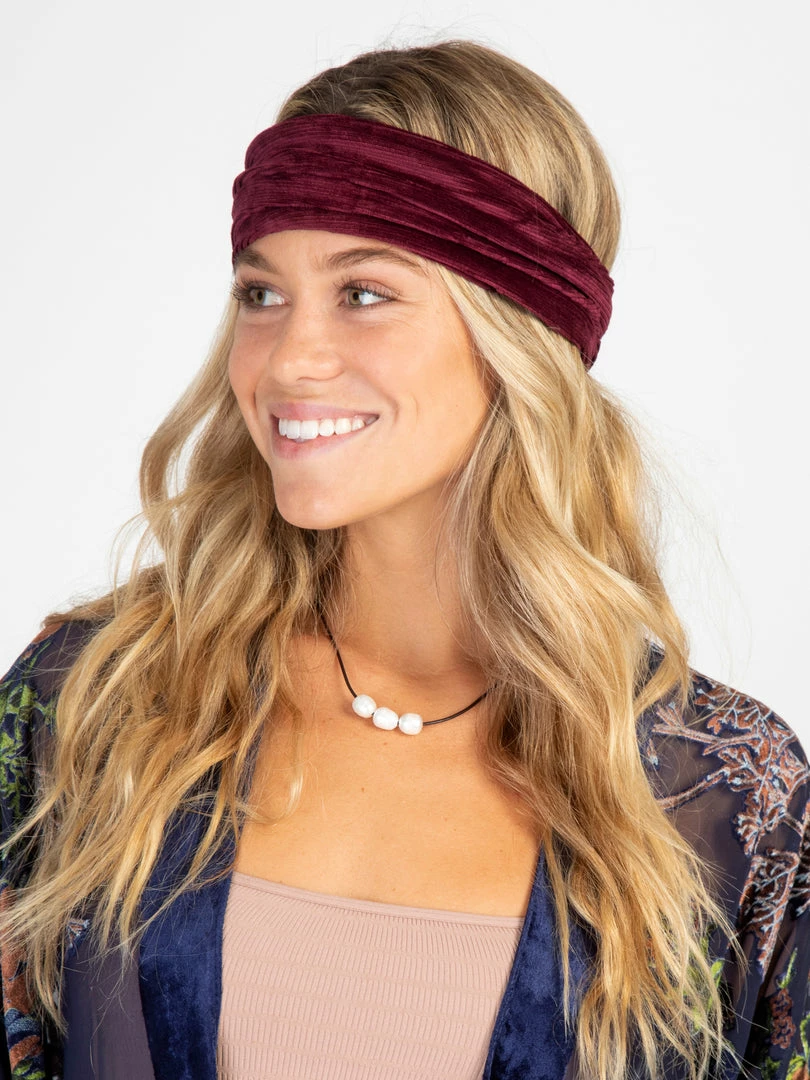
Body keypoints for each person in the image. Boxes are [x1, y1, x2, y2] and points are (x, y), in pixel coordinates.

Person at [0, 38, 807, 1080]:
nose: (290, 360)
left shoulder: (723, 797)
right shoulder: (100, 702)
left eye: (365, 293)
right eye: (260, 294)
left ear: (517, 331)